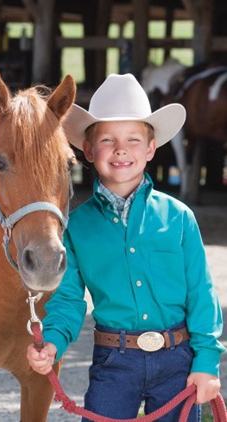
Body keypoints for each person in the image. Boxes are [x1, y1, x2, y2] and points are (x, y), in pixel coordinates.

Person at [27, 73, 224, 421]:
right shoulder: (76, 227)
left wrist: (207, 362)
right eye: (107, 140)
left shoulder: (178, 218)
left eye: (134, 139)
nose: (121, 149)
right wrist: (53, 341)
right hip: (113, 362)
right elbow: (69, 300)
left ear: (151, 149)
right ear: (88, 150)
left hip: (178, 360)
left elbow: (201, 295)